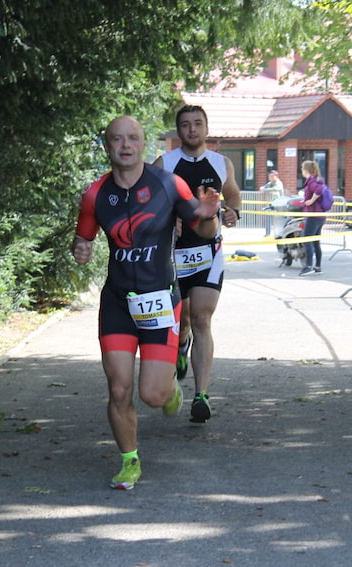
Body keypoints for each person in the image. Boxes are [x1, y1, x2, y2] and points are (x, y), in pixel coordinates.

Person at [72, 115, 220, 490]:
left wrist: (209, 215)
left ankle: (171, 391)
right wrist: (81, 249)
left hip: (159, 300)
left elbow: (202, 228)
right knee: (119, 388)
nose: (125, 145)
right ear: (107, 146)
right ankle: (129, 460)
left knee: (152, 394)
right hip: (118, 303)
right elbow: (84, 239)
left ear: (143, 145)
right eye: (117, 139)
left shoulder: (169, 184)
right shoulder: (94, 194)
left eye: (132, 138)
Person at [152, 105, 241, 424]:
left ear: (206, 128)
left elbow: (232, 196)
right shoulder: (165, 164)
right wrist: (167, 220)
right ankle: (181, 345)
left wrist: (232, 212)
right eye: (186, 125)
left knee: (202, 318)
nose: (192, 130)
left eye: (198, 124)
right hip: (173, 253)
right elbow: (150, 204)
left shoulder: (221, 163)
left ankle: (201, 395)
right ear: (178, 131)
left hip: (208, 252)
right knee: (184, 318)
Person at [298, 160, 326, 276]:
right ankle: (318, 266)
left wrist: (310, 201)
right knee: (315, 241)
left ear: (306, 170)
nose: (302, 171)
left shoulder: (311, 181)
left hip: (313, 215)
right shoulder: (318, 179)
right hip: (320, 215)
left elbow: (318, 191)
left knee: (307, 239)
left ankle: (308, 266)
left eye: (302, 169)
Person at [261, 170, 284, 236]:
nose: (270, 178)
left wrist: (265, 190)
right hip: (270, 204)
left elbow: (275, 189)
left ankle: (278, 234)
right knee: (268, 217)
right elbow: (264, 187)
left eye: (271, 176)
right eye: (269, 176)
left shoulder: (278, 183)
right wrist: (262, 188)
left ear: (275, 176)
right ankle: (267, 233)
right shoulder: (269, 183)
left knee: (277, 219)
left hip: (277, 205)